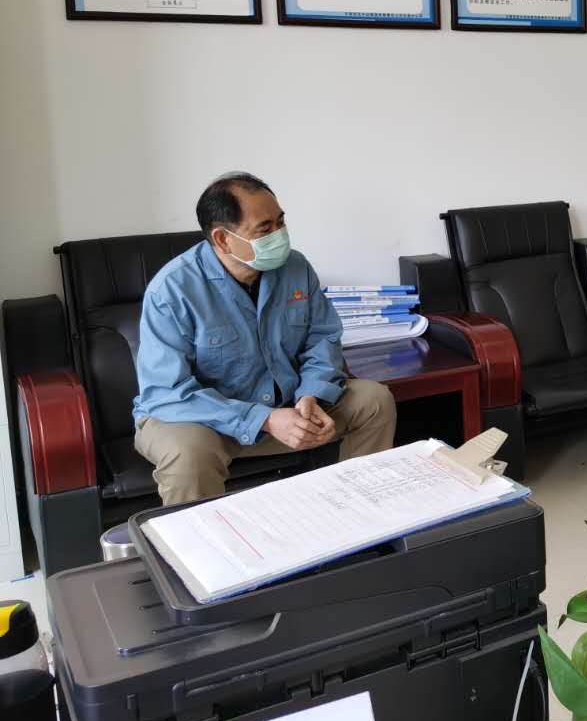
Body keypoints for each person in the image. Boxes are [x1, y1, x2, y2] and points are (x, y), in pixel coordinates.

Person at [133, 172, 397, 505]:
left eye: (281, 222)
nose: (279, 234)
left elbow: (322, 339)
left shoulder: (296, 267)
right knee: (189, 454)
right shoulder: (171, 290)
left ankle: (361, 514)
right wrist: (265, 420)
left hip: (287, 407)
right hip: (201, 420)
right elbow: (166, 393)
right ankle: (200, 540)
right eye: (265, 228)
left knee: (374, 401)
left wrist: (312, 394)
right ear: (223, 239)